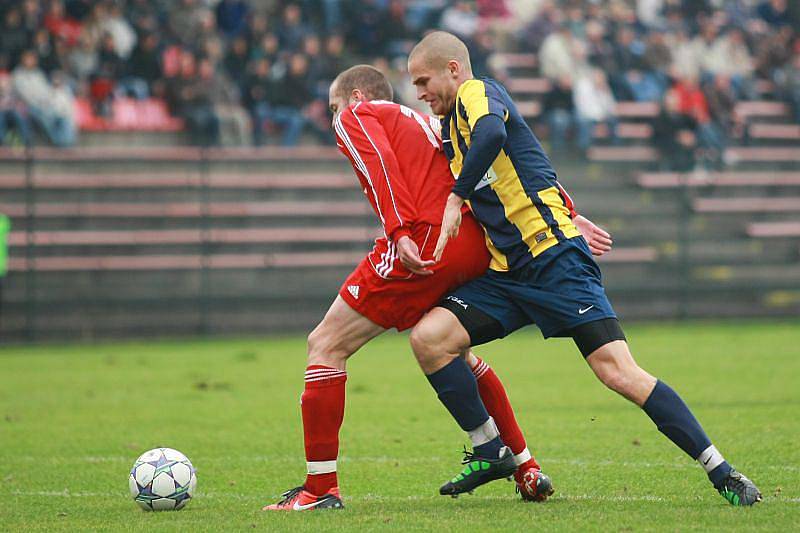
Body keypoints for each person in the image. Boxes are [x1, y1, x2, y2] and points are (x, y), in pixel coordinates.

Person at [406, 30, 761, 506]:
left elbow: (494, 135)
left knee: (617, 372)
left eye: (423, 80)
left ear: (453, 69)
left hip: (555, 260)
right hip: (509, 274)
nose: (419, 92)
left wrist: (458, 197)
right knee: (430, 339)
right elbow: (527, 165)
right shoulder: (450, 129)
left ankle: (721, 471)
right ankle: (490, 448)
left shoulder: (479, 93)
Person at [263, 64, 613, 512]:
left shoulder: (356, 114)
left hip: (425, 236)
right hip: (473, 239)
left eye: (336, 107)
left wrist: (398, 231)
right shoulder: (431, 121)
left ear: (355, 97)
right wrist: (565, 209)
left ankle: (319, 490)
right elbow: (507, 161)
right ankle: (525, 467)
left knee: (325, 345)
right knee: (454, 350)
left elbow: (380, 166)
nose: (337, 118)